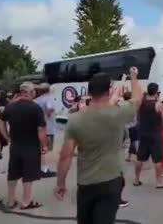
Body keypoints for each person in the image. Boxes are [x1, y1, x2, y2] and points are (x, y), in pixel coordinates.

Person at [54, 68, 143, 224]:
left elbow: (65, 156)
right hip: (112, 180)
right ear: (108, 91)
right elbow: (138, 98)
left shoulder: (75, 120)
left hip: (86, 183)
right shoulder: (119, 113)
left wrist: (60, 183)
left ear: (89, 91)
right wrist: (134, 77)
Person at [0, 82, 47, 210]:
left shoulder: (10, 107)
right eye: (34, 92)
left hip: (15, 146)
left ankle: (10, 201)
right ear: (31, 93)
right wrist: (44, 145)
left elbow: (0, 122)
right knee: (28, 175)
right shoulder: (35, 108)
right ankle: (26, 202)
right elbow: (41, 130)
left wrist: (6, 137)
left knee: (13, 173)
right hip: (31, 146)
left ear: (21, 93)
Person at [133, 83, 163, 188]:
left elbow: (138, 116)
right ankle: (159, 182)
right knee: (157, 159)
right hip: (155, 134)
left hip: (143, 133)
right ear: (156, 91)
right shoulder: (158, 105)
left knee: (140, 158)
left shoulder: (141, 103)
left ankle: (136, 179)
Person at [34, 83, 57, 178]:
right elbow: (49, 109)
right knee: (44, 149)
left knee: (39, 148)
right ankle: (43, 169)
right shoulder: (48, 98)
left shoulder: (36, 100)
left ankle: (37, 168)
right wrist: (51, 114)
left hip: (37, 127)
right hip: (47, 127)